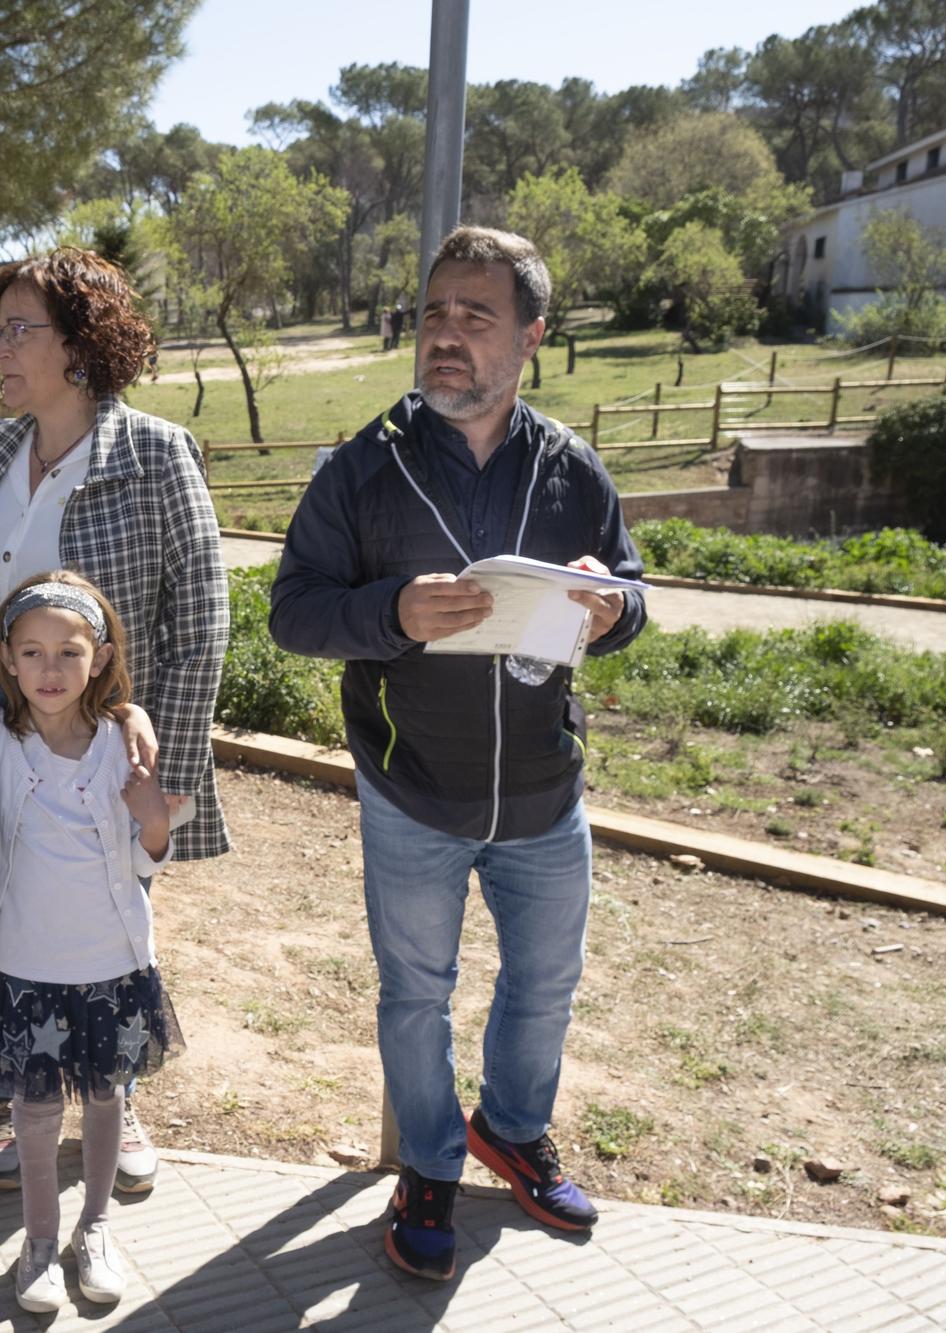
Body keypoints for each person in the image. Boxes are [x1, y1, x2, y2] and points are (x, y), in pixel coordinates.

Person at [268, 226, 647, 1282]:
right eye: (434, 313)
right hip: (411, 791)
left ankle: (511, 1132)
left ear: (528, 336)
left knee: (543, 982)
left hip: (542, 788)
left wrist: (611, 608)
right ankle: (429, 1166)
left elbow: (630, 592)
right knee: (414, 991)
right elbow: (293, 613)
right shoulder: (361, 468)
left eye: (474, 316)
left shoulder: (572, 469)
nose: (445, 335)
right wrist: (392, 610)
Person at [0, 247, 227, 1195]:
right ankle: (13, 1089)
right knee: (2, 916)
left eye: (20, 328)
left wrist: (172, 771)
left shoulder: (153, 451)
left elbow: (202, 617)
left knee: (110, 918)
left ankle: (118, 1092)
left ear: (82, 342)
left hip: (112, 750)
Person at [0, 571, 183, 1313]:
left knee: (104, 1098)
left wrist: (154, 816)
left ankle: (94, 1227)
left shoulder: (122, 747)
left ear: (101, 655)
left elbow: (146, 853)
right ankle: (38, 1238)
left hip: (111, 963)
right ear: (5, 657)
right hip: (22, 962)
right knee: (32, 1107)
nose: (50, 670)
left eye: (70, 651)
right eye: (31, 652)